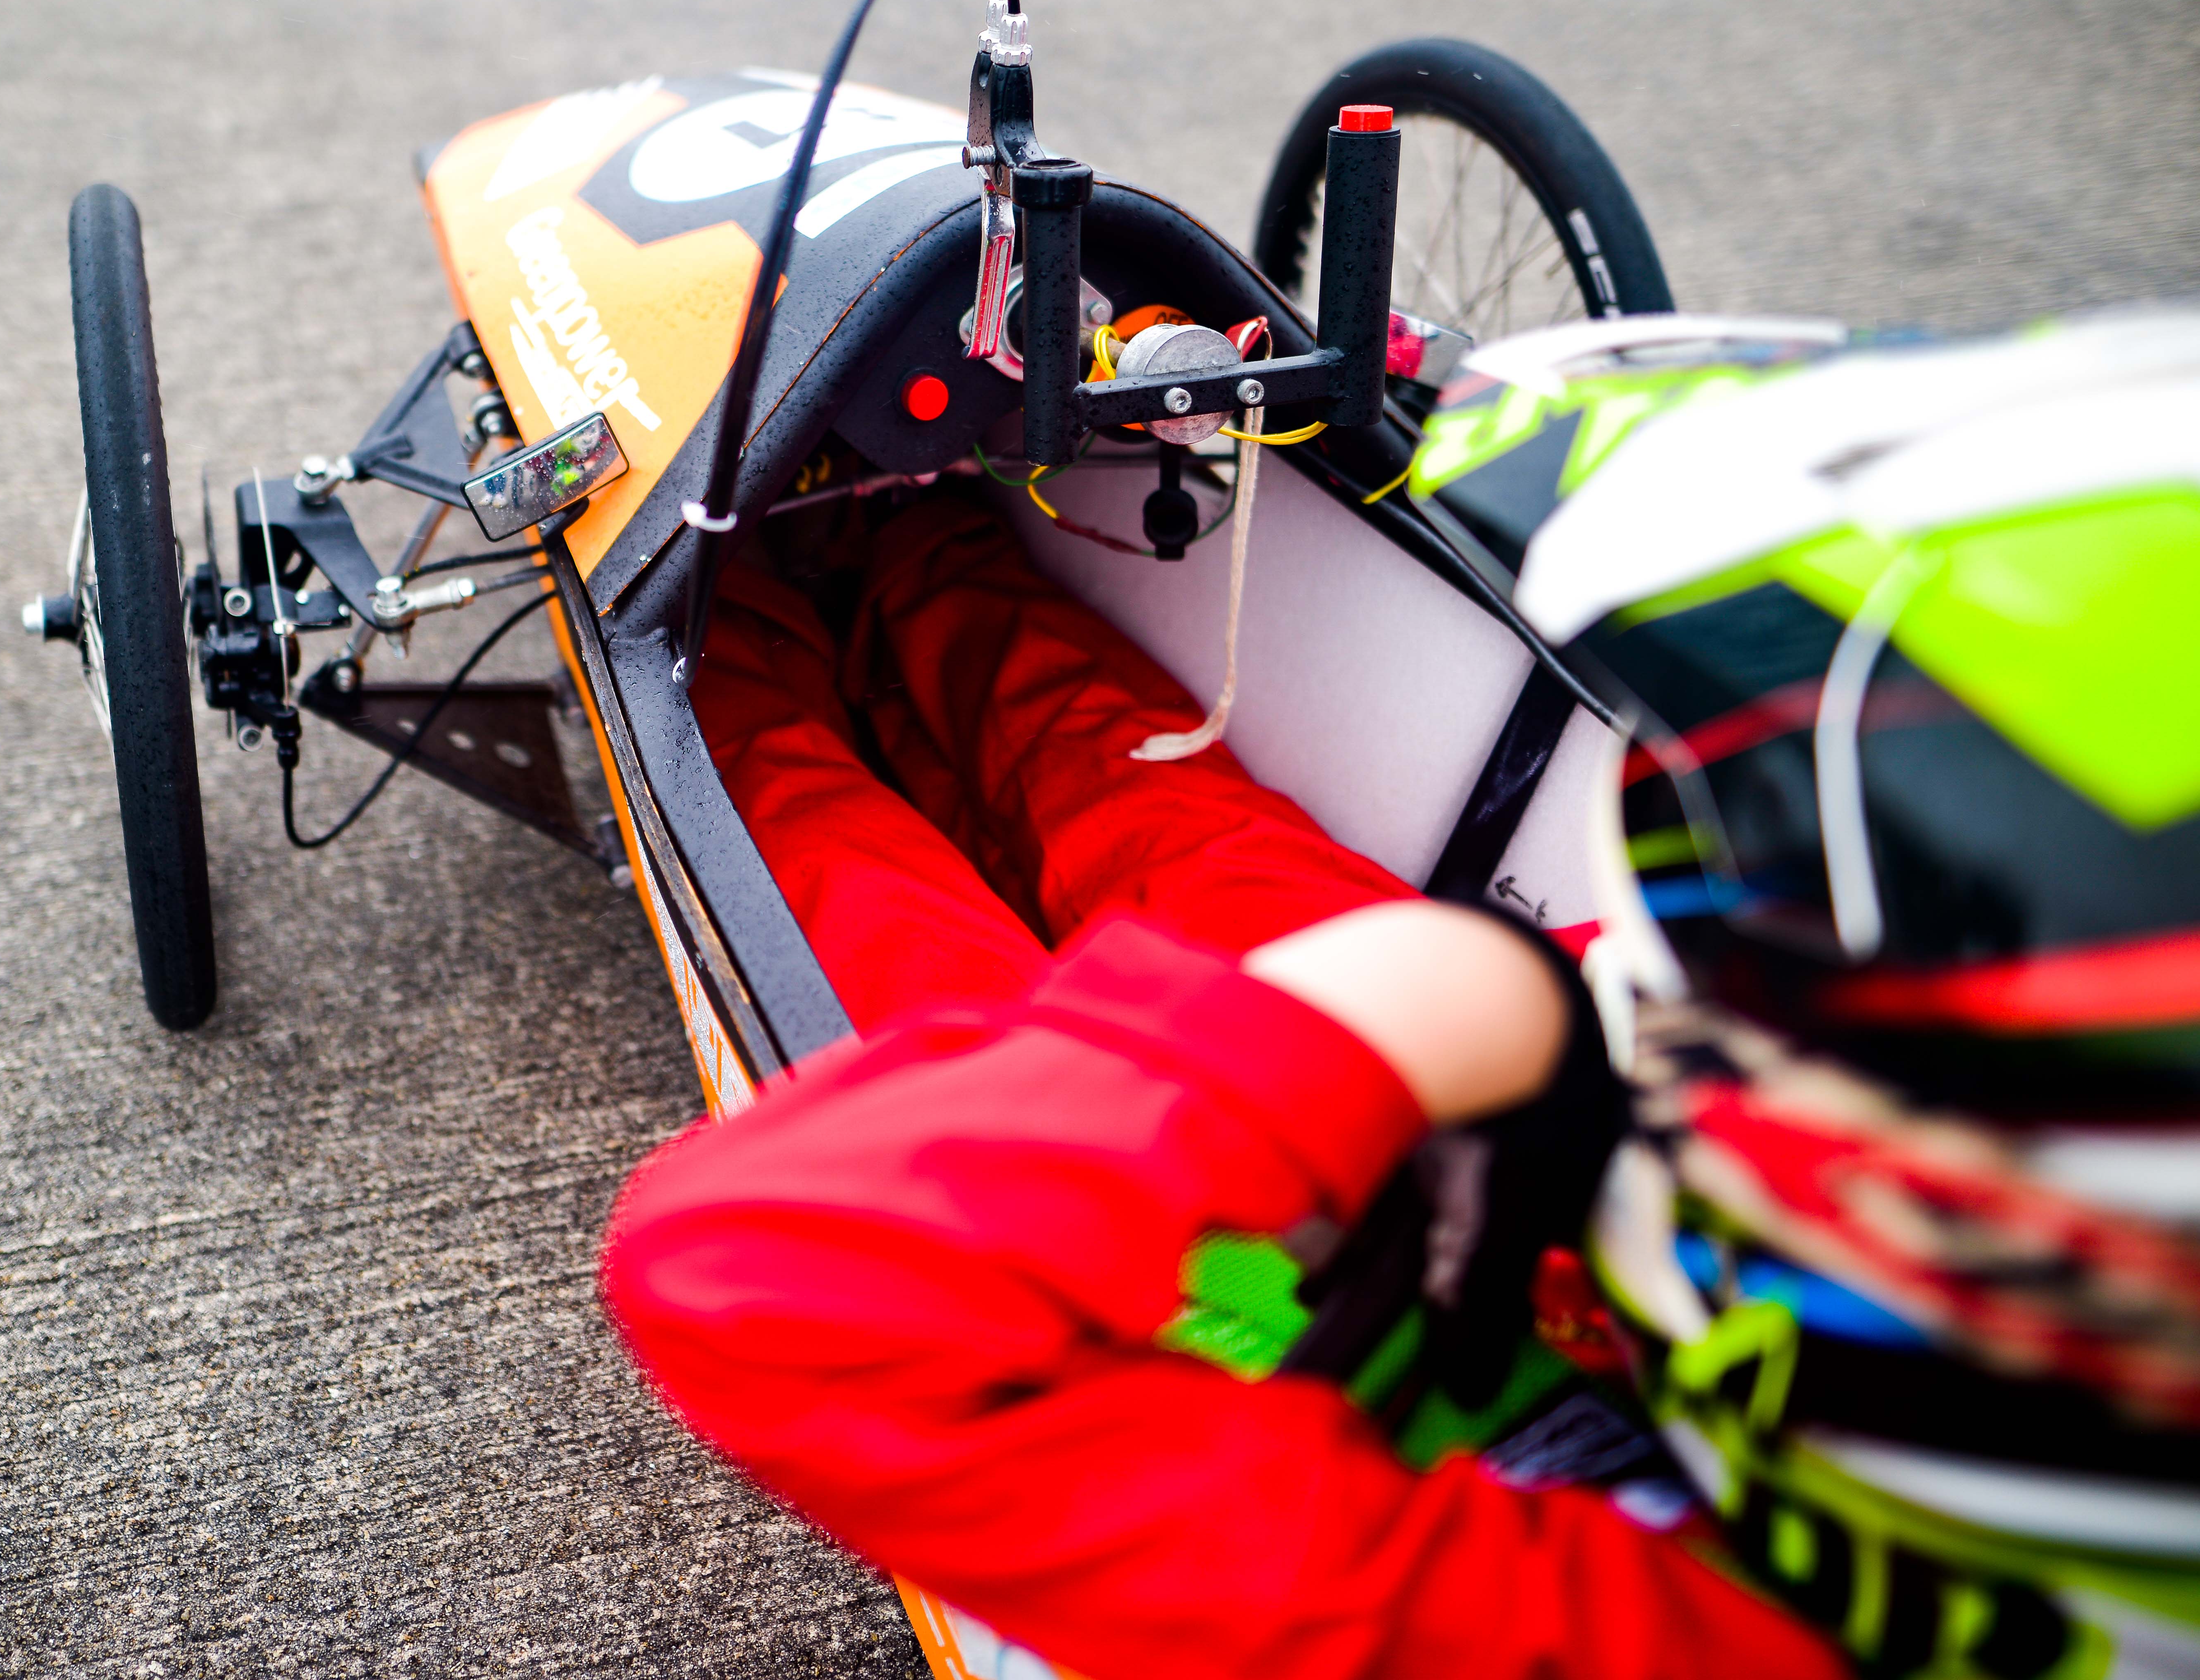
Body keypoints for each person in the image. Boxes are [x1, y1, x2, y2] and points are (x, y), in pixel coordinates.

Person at [602, 313, 2200, 1680]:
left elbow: (770, 1264)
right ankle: (905, 542)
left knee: (883, 913)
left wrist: (1462, 983)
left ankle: (753, 601)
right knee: (1155, 804)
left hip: (1230, 1364)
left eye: (1743, 956)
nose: (1664, 930)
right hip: (1554, 1247)